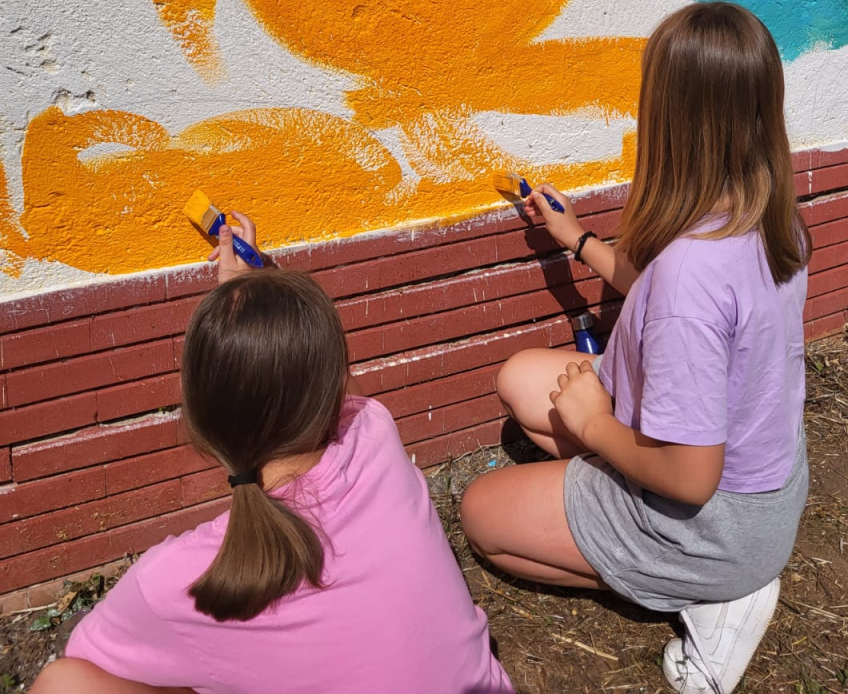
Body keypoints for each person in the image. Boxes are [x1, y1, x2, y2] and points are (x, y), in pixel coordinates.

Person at [460, 2, 810, 694]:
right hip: (761, 485)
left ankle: (711, 596)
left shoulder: (690, 278)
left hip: (713, 520)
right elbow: (662, 291)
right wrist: (578, 240)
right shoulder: (770, 221)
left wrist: (595, 425)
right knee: (522, 381)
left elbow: (692, 478)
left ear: (670, 119)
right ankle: (644, 515)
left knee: (481, 514)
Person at [33, 216, 513, 694]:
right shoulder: (374, 431)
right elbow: (320, 385)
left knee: (61, 684)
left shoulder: (177, 581)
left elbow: (83, 655)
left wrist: (240, 313)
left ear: (195, 414)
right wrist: (253, 300)